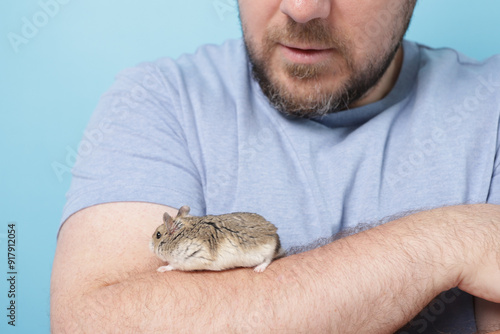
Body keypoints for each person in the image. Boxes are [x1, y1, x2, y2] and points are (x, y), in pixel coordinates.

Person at [50, 0, 500, 333]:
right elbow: (93, 322)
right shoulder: (158, 100)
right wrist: (446, 242)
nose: (303, 9)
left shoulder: (491, 108)